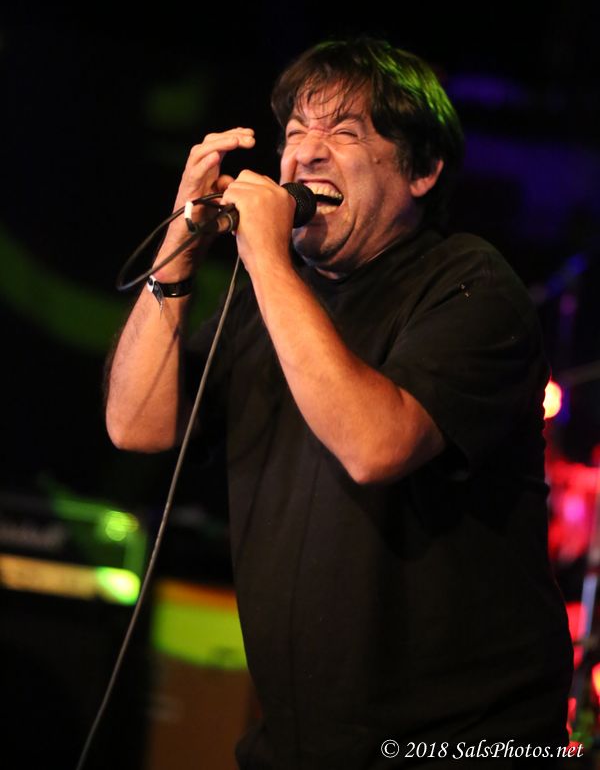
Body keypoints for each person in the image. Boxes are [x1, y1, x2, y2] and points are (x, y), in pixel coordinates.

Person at [106, 38, 573, 768]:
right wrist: (182, 244)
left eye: (345, 133)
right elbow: (136, 426)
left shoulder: (471, 286)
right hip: (303, 743)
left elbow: (374, 446)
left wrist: (265, 256)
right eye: (295, 132)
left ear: (421, 170)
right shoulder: (266, 304)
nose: (306, 155)